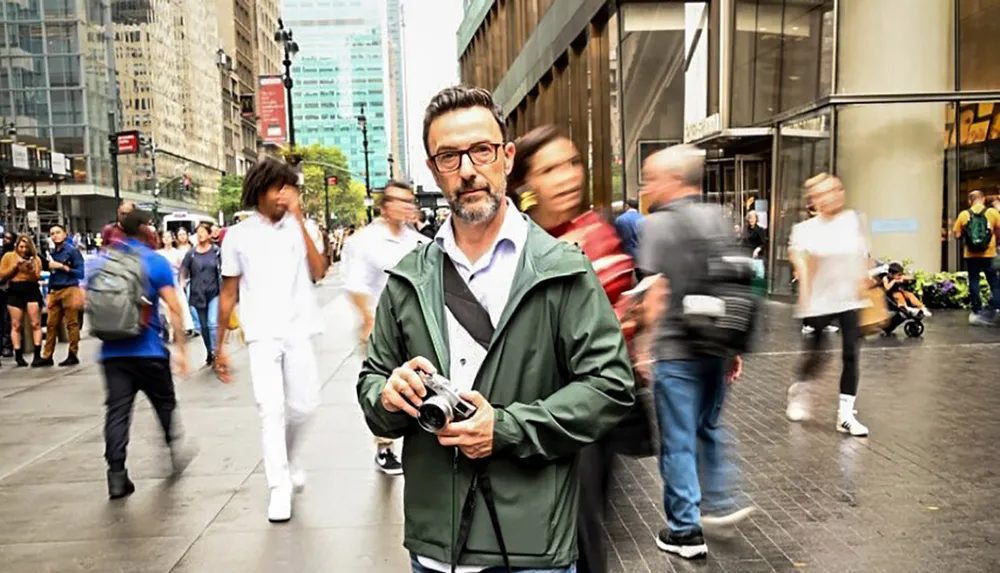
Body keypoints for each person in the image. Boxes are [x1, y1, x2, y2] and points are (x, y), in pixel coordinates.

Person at [357, 85, 635, 573]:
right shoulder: (408, 278)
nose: (468, 170)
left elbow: (610, 386)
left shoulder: (563, 269)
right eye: (449, 156)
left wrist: (505, 428)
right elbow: (373, 387)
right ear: (433, 169)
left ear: (506, 156)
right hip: (435, 547)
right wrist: (387, 394)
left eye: (481, 150)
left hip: (532, 545)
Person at [507, 124, 639, 573]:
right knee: (575, 537)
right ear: (525, 186)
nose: (568, 177)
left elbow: (618, 302)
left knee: (587, 527)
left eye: (571, 164)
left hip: (598, 415)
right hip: (547, 415)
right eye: (549, 169)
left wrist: (636, 313)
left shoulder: (595, 229)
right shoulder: (520, 246)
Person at [637, 145, 751, 560]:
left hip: (676, 349)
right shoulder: (719, 217)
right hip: (718, 345)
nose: (647, 186)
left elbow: (656, 289)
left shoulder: (658, 225)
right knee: (709, 425)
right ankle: (720, 500)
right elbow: (734, 283)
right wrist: (734, 349)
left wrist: (645, 346)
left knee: (678, 441)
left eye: (651, 178)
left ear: (672, 180)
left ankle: (685, 530)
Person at [214, 157, 329, 523]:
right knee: (271, 409)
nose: (285, 195)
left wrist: (298, 219)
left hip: (300, 329)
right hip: (261, 334)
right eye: (279, 188)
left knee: (305, 406)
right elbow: (228, 293)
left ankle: (291, 457)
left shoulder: (303, 226)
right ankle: (278, 486)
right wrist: (219, 348)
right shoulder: (238, 236)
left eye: (289, 188)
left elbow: (319, 271)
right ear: (260, 191)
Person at [95, 209, 194, 499]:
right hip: (148, 350)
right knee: (164, 403)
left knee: (117, 413)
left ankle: (116, 475)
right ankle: (173, 451)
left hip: (112, 354)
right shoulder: (155, 261)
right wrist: (181, 350)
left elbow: (82, 298)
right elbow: (174, 307)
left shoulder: (104, 260)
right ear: (143, 229)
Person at [343, 180, 427, 475]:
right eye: (400, 201)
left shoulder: (416, 241)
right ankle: (385, 447)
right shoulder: (366, 241)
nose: (407, 206)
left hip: (414, 326)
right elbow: (354, 285)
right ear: (385, 206)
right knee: (384, 386)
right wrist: (369, 320)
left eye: (410, 201)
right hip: (379, 328)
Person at [787, 173, 870, 437]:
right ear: (814, 201)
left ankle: (845, 415)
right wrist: (804, 288)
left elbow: (863, 254)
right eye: (822, 193)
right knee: (818, 354)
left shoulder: (853, 222)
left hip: (849, 297)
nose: (831, 196)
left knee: (851, 353)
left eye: (835, 190)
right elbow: (798, 259)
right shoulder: (805, 230)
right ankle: (799, 389)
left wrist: (865, 278)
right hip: (819, 300)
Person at [35, 224, 85, 367]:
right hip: (55, 289)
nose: (55, 235)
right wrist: (50, 291)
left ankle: (73, 353)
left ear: (65, 234)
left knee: (71, 323)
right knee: (51, 324)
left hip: (69, 288)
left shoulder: (72, 251)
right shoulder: (52, 253)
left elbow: (80, 273)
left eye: (58, 232)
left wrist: (63, 267)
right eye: (52, 233)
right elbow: (51, 273)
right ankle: (47, 355)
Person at [952, 189, 1000, 325]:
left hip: (971, 254)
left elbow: (956, 235)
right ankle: (995, 307)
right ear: (983, 199)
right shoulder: (992, 212)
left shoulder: (964, 214)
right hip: (989, 254)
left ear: (969, 201)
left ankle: (976, 310)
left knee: (974, 281)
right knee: (994, 282)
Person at [180, 223, 221, 365]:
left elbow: (223, 271)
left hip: (214, 292)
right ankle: (209, 351)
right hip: (197, 294)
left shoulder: (216, 251)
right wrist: (182, 283)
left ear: (209, 234)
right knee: (203, 327)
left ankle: (216, 352)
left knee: (212, 323)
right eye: (198, 232)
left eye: (203, 232)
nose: (200, 234)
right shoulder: (191, 253)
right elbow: (183, 270)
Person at [0, 235, 44, 367]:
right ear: (17, 246)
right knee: (16, 324)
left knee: (36, 323)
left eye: (26, 247)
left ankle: (37, 355)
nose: (24, 250)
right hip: (15, 290)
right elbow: (2, 275)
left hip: (32, 289)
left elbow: (37, 276)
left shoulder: (35, 258)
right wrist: (15, 266)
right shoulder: (9, 256)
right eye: (21, 247)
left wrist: (31, 268)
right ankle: (18, 354)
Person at [158, 230, 196, 338]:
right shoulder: (159, 253)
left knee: (180, 305)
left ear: (172, 238)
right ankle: (168, 328)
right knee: (165, 307)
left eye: (168, 237)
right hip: (163, 282)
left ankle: (181, 328)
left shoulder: (177, 252)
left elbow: (183, 268)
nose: (166, 239)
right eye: (164, 237)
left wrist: (177, 267)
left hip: (175, 281)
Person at [0, 231, 15, 359]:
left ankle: (7, 346)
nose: (5, 240)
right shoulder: (1, 252)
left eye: (8, 238)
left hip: (8, 289)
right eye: (4, 237)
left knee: (7, 319)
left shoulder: (13, 254)